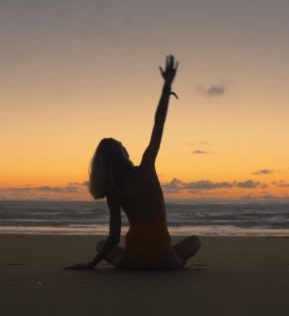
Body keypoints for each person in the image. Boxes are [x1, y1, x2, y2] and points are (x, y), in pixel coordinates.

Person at [65, 55, 201, 270]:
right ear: (122, 153)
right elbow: (158, 125)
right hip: (164, 259)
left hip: (132, 261)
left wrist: (91, 265)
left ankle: (141, 261)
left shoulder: (113, 191)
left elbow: (113, 238)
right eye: (122, 145)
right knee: (194, 240)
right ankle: (169, 260)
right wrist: (166, 87)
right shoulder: (146, 167)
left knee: (101, 244)